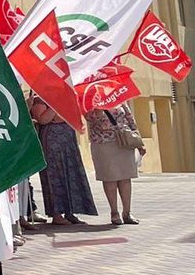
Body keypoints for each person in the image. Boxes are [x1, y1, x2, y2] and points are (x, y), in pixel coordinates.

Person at [29, 95, 96, 226]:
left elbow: (71, 117)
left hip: (68, 140)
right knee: (55, 176)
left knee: (71, 174)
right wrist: (55, 104)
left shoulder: (67, 97)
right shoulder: (40, 99)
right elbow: (43, 119)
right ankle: (57, 214)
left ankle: (70, 212)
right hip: (51, 141)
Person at [86, 102, 144, 225]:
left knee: (125, 177)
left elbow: (130, 119)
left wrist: (139, 142)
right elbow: (90, 120)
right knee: (110, 178)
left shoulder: (119, 99)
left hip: (124, 141)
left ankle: (127, 213)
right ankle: (114, 212)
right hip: (103, 143)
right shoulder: (88, 102)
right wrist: (98, 111)